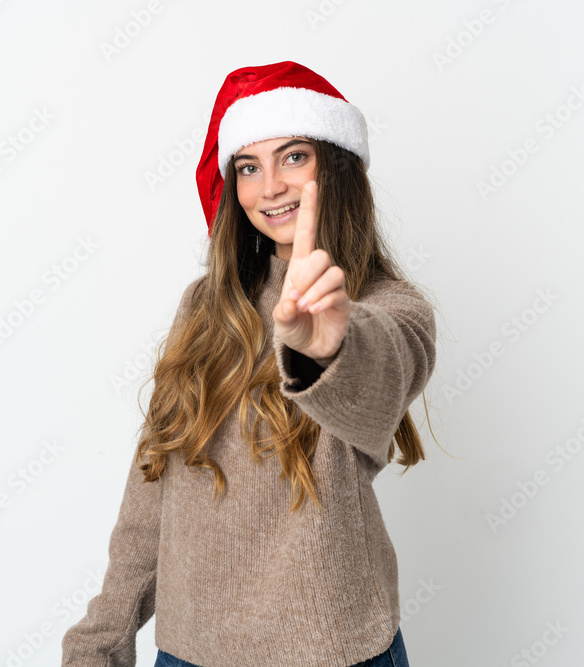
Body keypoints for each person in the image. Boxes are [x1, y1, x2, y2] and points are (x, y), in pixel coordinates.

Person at [61, 61, 438, 667]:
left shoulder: (387, 309)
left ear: (335, 166)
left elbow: (385, 372)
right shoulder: (204, 307)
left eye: (293, 157)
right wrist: (101, 637)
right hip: (189, 654)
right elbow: (155, 485)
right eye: (247, 167)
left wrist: (326, 346)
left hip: (334, 653)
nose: (269, 188)